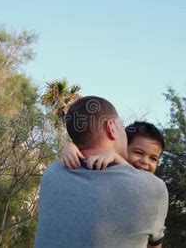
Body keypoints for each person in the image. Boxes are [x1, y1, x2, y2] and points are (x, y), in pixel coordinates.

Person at [35, 96, 168, 248]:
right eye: (121, 126)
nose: (145, 162)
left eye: (153, 158)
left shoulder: (51, 173)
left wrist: (72, 145)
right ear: (111, 128)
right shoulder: (154, 188)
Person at [60, 121, 165, 174]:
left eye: (153, 158)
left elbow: (138, 180)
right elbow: (87, 161)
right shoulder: (109, 165)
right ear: (124, 147)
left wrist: (118, 159)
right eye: (138, 153)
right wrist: (71, 147)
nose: (145, 161)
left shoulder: (152, 185)